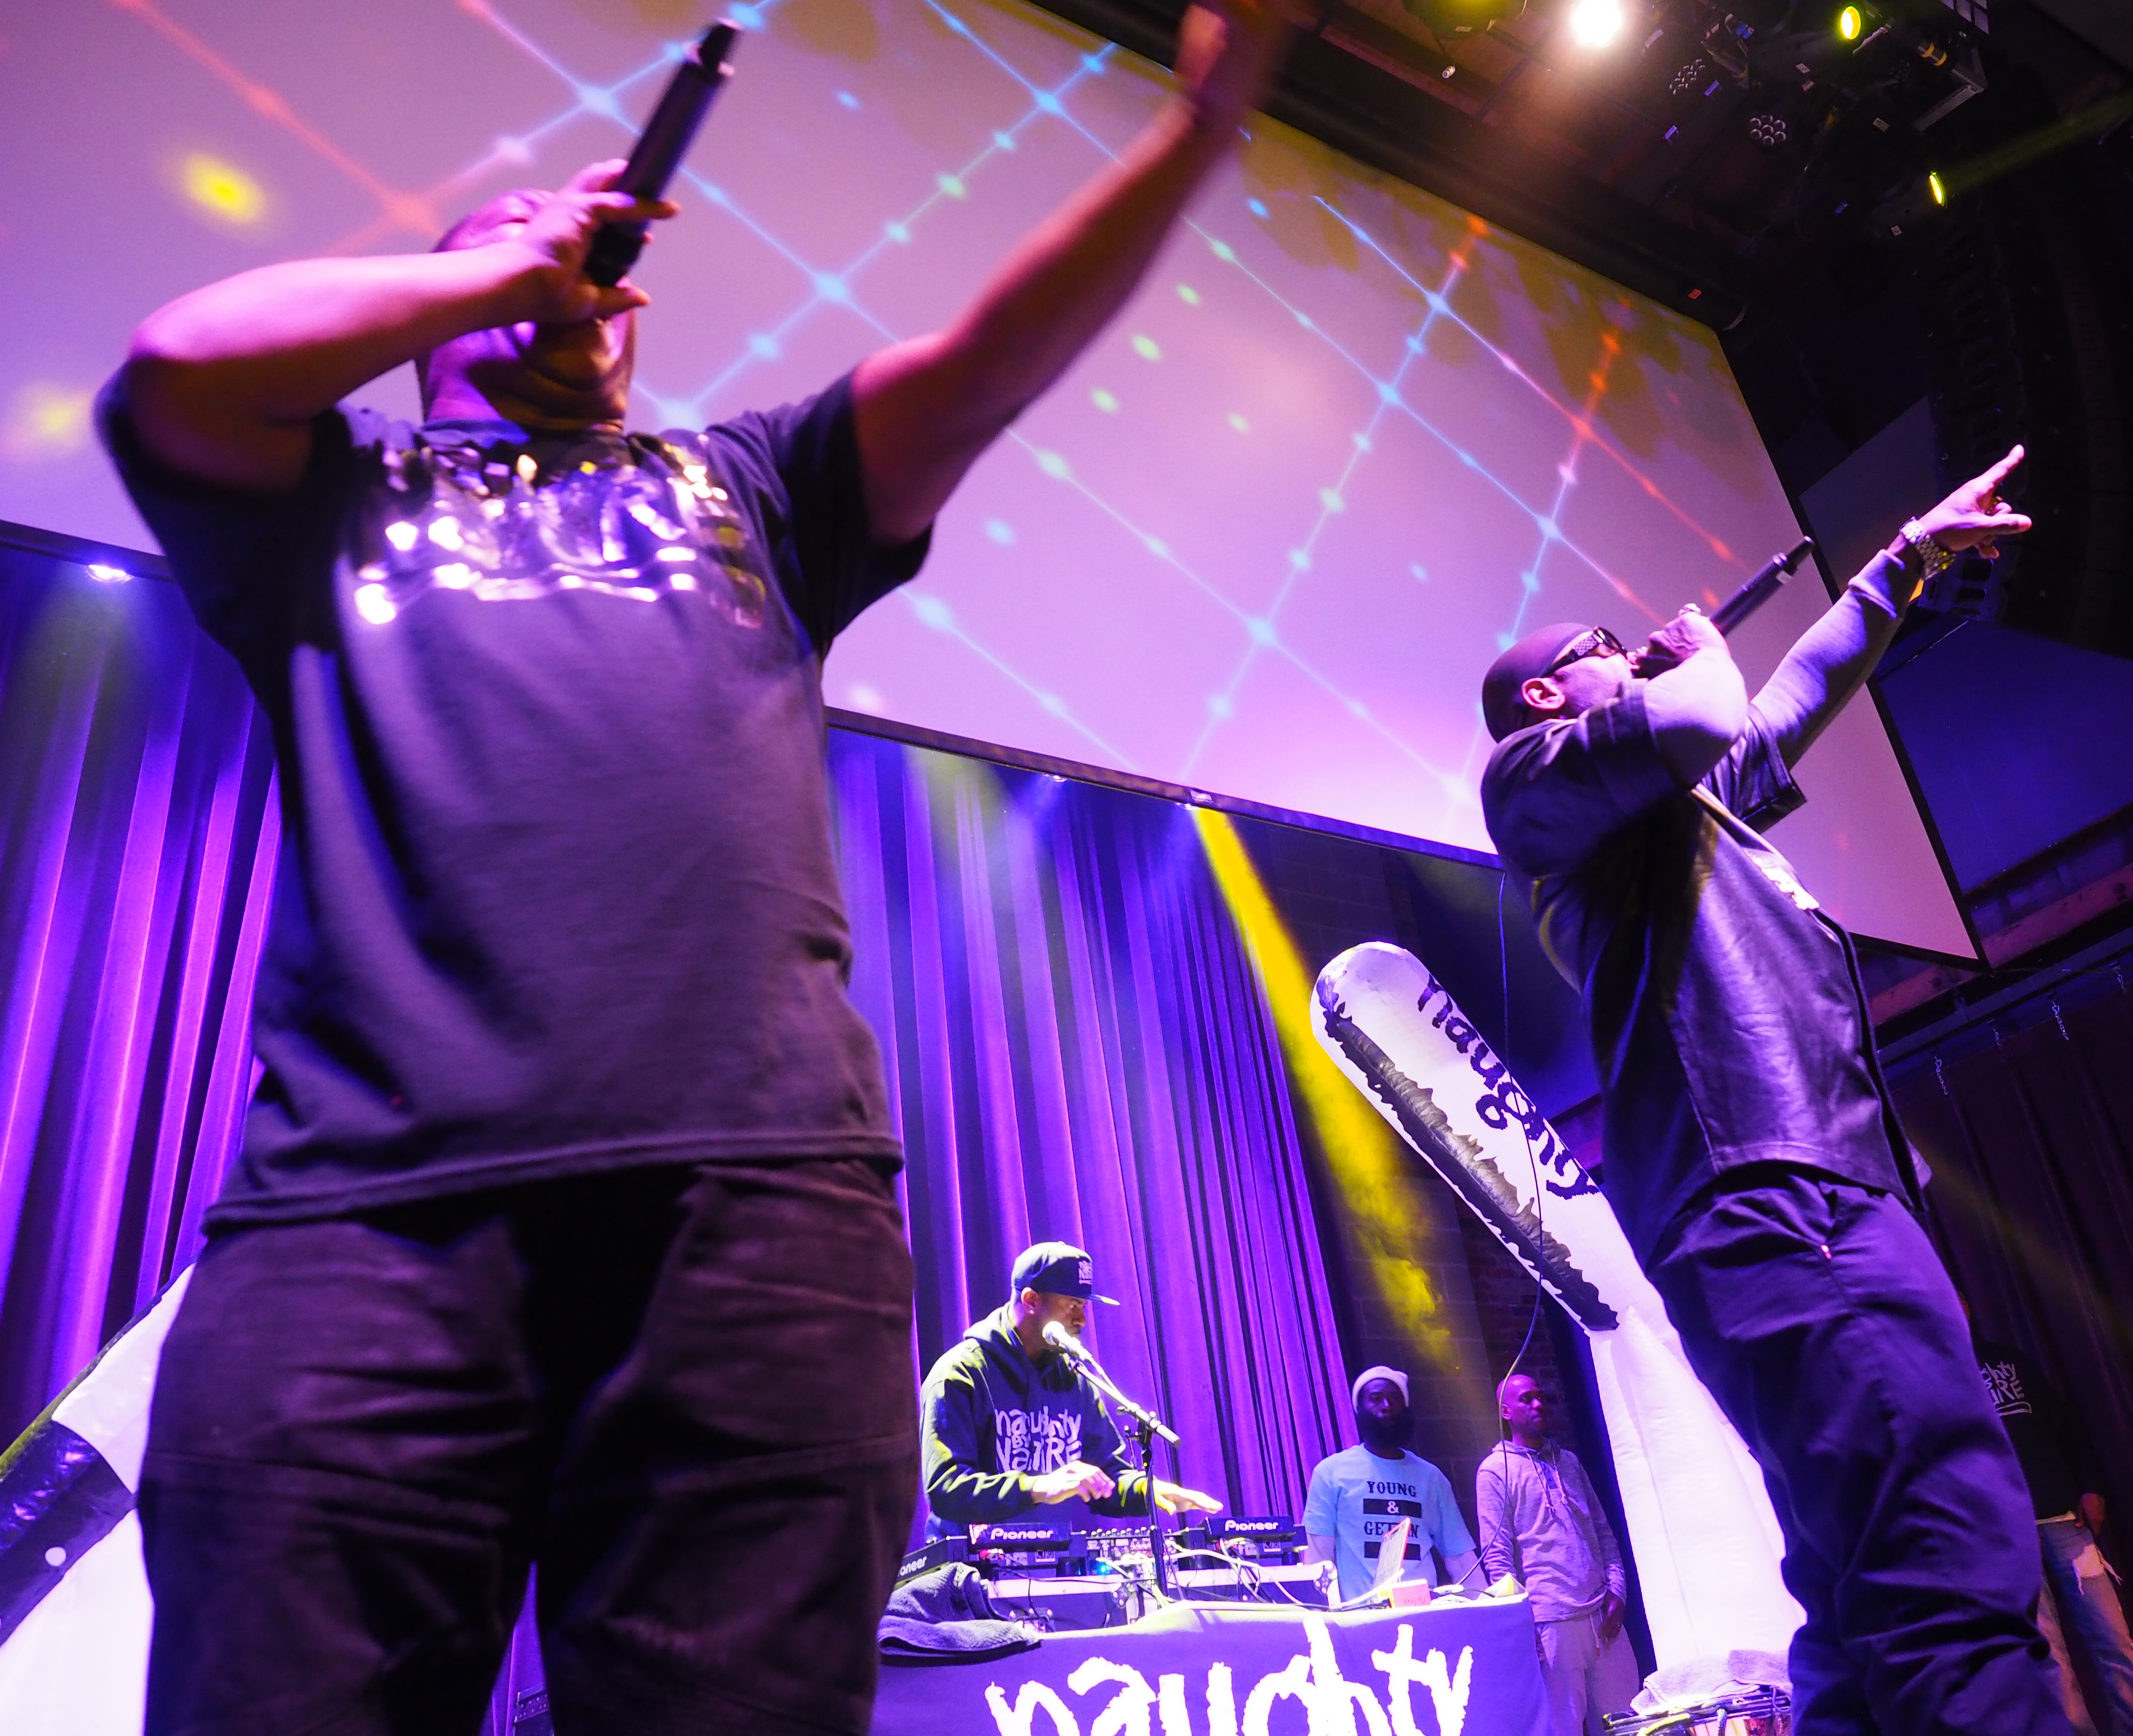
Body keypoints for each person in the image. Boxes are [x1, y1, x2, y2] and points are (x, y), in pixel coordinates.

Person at [104, 3, 1294, 1730]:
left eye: (592, 262)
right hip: (364, 1226)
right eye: (519, 245)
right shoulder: (326, 506)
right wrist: (507, 264)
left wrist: (1198, 132)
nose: (578, 268)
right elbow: (179, 365)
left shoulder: (749, 487)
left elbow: (984, 361)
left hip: (756, 1223)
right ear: (435, 311)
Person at [1479, 450, 2073, 1733]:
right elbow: (1704, 714)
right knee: (1940, 1539)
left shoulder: (1663, 808)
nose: (1635, 653)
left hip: (1803, 1178)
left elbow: (1785, 701)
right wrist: (1693, 653)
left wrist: (1905, 558)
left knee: (1861, 1584)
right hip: (1772, 1185)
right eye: (1607, 648)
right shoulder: (1535, 787)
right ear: (1545, 693)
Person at [919, 1242, 1222, 1537]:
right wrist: (1038, 1488)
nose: (1083, 1320)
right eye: (1072, 1305)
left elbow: (1107, 1475)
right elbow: (947, 1489)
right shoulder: (960, 1374)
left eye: (1084, 1306)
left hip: (1055, 1561)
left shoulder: (1074, 1377)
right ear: (1031, 1300)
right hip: (971, 1564)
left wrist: (1147, 1490)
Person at [1968, 1312, 2133, 1736]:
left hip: (2063, 1520)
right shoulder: (1926, 1375)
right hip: (2003, 1535)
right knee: (2049, 1656)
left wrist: (2090, 1485)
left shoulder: (2008, 1360)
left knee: (2113, 1640)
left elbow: (2067, 1427)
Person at [1478, 1373, 1639, 1735]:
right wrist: (1523, 1626)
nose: (1538, 1405)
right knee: (1562, 1728)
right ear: (1505, 1411)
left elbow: (1602, 1530)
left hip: (1603, 1616)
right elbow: (1498, 1558)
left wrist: (1618, 1591)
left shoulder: (1568, 1462)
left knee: (1628, 1724)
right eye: (1526, 1399)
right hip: (1550, 1623)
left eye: (1540, 1397)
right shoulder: (1495, 1471)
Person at [1301, 1366, 1480, 1604]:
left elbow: (1461, 1559)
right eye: (1376, 1399)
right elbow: (1318, 1559)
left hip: (1424, 1613)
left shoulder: (1431, 1478)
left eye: (1394, 1399)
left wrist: (1488, 1608)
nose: (1386, 1406)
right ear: (1359, 1409)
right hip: (1359, 1617)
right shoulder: (1330, 1473)